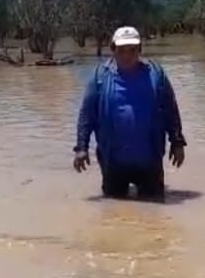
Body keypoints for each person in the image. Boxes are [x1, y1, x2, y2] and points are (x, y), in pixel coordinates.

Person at [73, 26, 186, 200]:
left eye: (132, 50)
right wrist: (82, 148)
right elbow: (87, 114)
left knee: (154, 213)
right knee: (113, 211)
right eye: (121, 50)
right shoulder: (100, 77)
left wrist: (177, 142)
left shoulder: (156, 74)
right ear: (112, 50)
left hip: (150, 160)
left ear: (140, 50)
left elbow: (170, 108)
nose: (127, 56)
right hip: (113, 161)